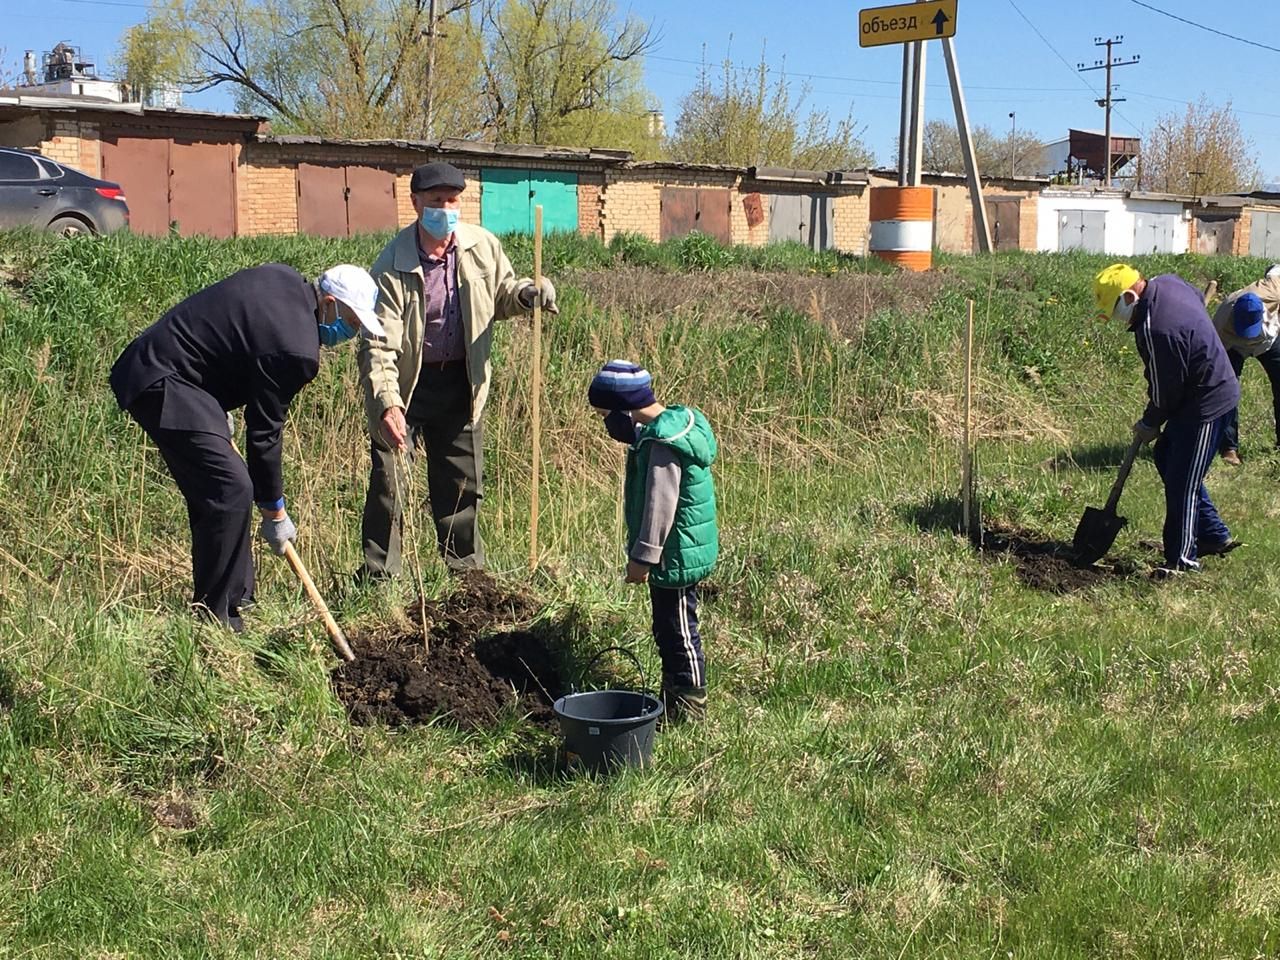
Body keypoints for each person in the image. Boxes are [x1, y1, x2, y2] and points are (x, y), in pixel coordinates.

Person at [111, 263, 384, 631]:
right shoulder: (298, 349)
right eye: (351, 322)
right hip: (163, 379)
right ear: (330, 303)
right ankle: (218, 618)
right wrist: (275, 512)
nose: (349, 333)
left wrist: (214, 406)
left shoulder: (284, 279)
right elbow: (264, 434)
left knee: (226, 490)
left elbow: (233, 335)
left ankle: (239, 601)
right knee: (230, 489)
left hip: (184, 379)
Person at [357, 161, 557, 577]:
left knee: (461, 484)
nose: (445, 209)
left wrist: (526, 294)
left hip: (461, 381)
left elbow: (502, 294)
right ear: (414, 203)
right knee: (389, 483)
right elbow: (379, 344)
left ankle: (465, 573)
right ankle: (380, 576)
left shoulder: (481, 246)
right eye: (435, 201)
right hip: (407, 384)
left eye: (452, 200)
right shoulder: (393, 264)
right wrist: (388, 404)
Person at [589, 360, 719, 721]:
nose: (606, 424)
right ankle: (673, 696)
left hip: (674, 554)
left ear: (624, 408)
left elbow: (659, 507)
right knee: (667, 626)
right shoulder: (670, 427)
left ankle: (692, 705)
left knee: (678, 630)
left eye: (604, 415)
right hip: (679, 550)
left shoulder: (663, 444)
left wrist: (642, 558)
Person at [1093, 264, 1240, 576]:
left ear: (1131, 296)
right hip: (1193, 394)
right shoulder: (1168, 282)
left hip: (1207, 402)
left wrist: (1150, 421)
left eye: (1115, 309)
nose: (1117, 319)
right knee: (1166, 456)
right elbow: (1198, 299)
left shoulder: (1156, 328)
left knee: (1182, 481)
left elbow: (1165, 391)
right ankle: (1212, 534)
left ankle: (1182, 561)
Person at [1210, 265, 1280, 465]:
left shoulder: (1273, 291)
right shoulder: (1222, 323)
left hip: (1270, 340)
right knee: (1227, 391)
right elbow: (1213, 356)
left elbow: (1276, 270)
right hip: (1233, 345)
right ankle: (1229, 448)